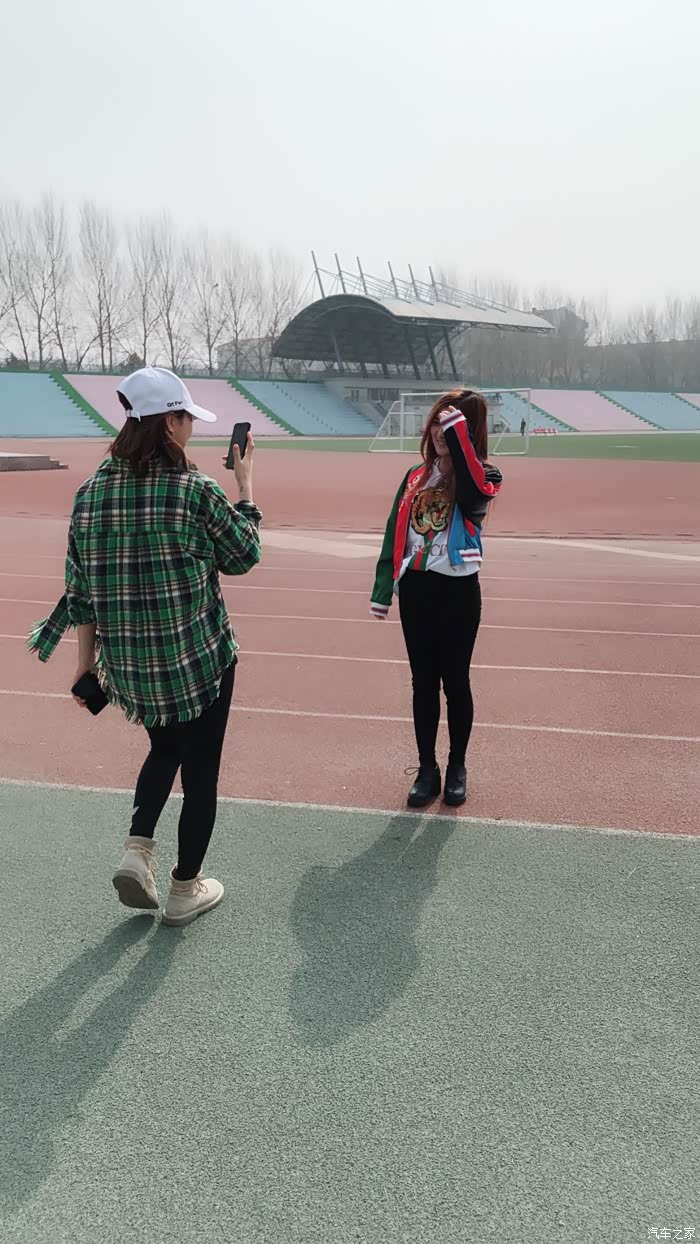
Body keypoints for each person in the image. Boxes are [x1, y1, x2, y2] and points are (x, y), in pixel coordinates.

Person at [28, 367, 262, 925]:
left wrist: (86, 667)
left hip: (131, 666)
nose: (191, 429)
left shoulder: (90, 495)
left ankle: (137, 851)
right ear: (170, 422)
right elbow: (244, 555)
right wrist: (246, 489)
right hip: (198, 659)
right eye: (187, 418)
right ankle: (184, 889)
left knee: (164, 749)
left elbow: (80, 594)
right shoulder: (195, 490)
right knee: (200, 773)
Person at [370, 390, 502, 808]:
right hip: (417, 590)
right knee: (422, 682)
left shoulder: (484, 476)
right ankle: (427, 768)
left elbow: (473, 496)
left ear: (468, 432)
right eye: (436, 423)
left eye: (451, 426)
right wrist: (383, 589)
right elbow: (394, 531)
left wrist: (457, 431)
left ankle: (457, 765)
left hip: (458, 592)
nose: (440, 432)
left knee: (456, 681)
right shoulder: (414, 476)